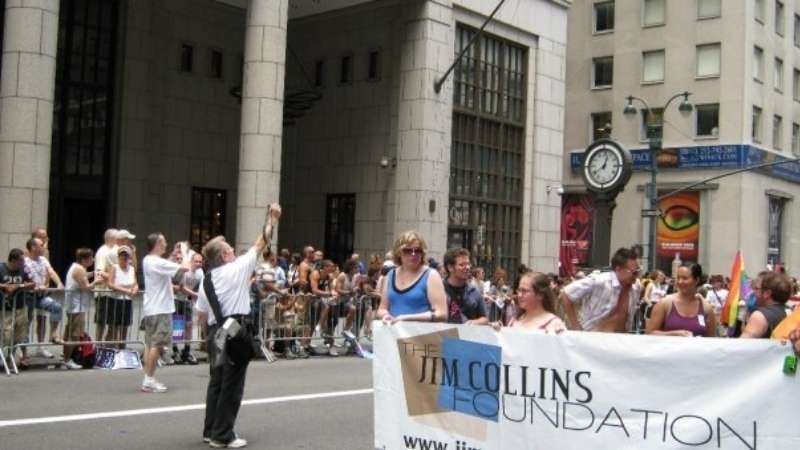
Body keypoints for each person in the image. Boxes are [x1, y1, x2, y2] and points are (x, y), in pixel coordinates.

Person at [195, 203, 281, 448]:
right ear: (224, 256)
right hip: (234, 329)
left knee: (216, 383)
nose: (233, 250)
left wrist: (209, 339)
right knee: (232, 385)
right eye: (230, 249)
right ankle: (223, 435)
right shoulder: (236, 269)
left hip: (215, 332)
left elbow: (201, 315)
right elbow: (261, 242)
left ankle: (211, 429)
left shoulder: (206, 280)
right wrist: (272, 218)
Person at [140, 233, 190, 393]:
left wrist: (173, 256)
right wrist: (185, 252)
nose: (166, 244)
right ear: (158, 244)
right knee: (158, 344)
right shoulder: (157, 262)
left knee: (150, 344)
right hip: (161, 309)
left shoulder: (148, 260)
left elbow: (166, 266)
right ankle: (149, 380)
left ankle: (148, 377)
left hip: (151, 308)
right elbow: (186, 267)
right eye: (164, 242)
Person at [561, 247, 643, 333]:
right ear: (618, 269)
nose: (637, 276)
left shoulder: (636, 287)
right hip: (592, 335)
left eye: (638, 271)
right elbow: (565, 294)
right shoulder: (599, 281)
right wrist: (577, 328)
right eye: (634, 273)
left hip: (621, 337)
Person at [376, 231, 447, 323]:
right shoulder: (390, 275)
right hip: (394, 330)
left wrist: (407, 318)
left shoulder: (431, 275)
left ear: (422, 253)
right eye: (407, 250)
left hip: (422, 331)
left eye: (418, 251)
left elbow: (442, 313)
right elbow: (382, 309)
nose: (413, 254)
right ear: (399, 252)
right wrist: (386, 315)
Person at [646, 263, 717, 337]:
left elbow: (711, 338)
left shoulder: (706, 308)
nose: (680, 281)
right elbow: (650, 333)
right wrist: (675, 334)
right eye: (678, 278)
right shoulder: (664, 304)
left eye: (685, 278)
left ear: (696, 280)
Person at [24, 237, 64, 357]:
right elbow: (25, 279)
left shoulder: (43, 259)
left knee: (56, 308)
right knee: (26, 323)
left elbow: (51, 271)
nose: (44, 247)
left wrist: (59, 283)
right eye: (41, 245)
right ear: (33, 247)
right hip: (28, 297)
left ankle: (51, 336)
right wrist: (35, 286)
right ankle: (23, 351)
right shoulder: (25, 262)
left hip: (41, 296)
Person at [63, 248, 103, 369]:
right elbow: (86, 287)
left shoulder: (77, 268)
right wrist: (96, 282)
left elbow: (83, 277)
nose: (93, 260)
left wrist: (93, 273)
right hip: (77, 308)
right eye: (91, 258)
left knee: (71, 334)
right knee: (74, 335)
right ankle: (67, 360)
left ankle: (67, 358)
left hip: (74, 306)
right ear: (84, 259)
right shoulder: (79, 269)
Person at [1, 249, 35, 369]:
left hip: (20, 307)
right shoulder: (1, 268)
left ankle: (10, 357)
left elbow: (32, 283)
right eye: (21, 260)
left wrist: (18, 286)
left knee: (19, 335)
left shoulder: (23, 269)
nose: (23, 262)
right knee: (7, 334)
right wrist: (4, 286)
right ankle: (4, 356)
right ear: (13, 260)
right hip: (4, 308)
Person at [442, 248, 487, 325]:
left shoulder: (474, 291)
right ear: (450, 267)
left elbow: (485, 318)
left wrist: (474, 322)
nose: (467, 268)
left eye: (468, 264)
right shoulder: (439, 290)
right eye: (462, 265)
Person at [740, 272, 791, 339]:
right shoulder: (791, 311)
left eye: (756, 288)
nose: (753, 292)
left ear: (767, 293)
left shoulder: (760, 316)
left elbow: (743, 343)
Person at [105, 246, 138, 349]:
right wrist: (126, 290)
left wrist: (135, 289)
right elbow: (110, 284)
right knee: (113, 328)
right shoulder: (114, 267)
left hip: (127, 301)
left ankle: (122, 350)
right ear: (118, 257)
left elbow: (135, 283)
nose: (124, 257)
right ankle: (112, 349)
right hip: (115, 301)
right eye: (122, 255)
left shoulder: (132, 269)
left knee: (124, 327)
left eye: (126, 256)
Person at [94, 229, 118, 344]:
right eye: (117, 238)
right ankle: (98, 346)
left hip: (112, 293)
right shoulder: (103, 252)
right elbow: (100, 272)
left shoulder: (114, 250)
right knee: (101, 323)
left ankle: (108, 347)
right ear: (110, 239)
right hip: (103, 294)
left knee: (113, 323)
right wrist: (119, 279)